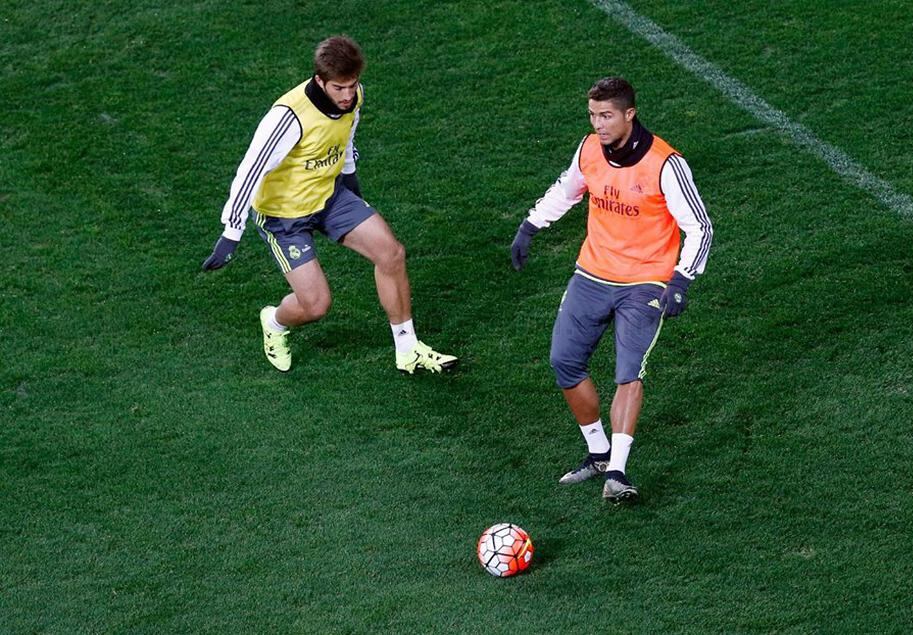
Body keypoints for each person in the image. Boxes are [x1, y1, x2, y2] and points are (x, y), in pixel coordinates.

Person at [509, 77, 713, 503]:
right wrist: (530, 225)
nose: (597, 124)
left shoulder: (664, 164)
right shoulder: (588, 150)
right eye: (592, 114)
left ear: (629, 114)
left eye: (606, 115)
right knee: (564, 361)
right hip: (593, 273)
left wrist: (682, 279)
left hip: (645, 282)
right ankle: (598, 452)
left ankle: (618, 471)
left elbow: (699, 227)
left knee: (628, 372)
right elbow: (567, 189)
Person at [202, 35, 456, 375]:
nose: (348, 95)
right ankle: (275, 322)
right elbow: (250, 170)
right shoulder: (288, 118)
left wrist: (351, 185)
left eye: (352, 85)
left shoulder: (353, 99)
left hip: (329, 195)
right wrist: (231, 232)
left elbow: (345, 139)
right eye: (339, 88)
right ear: (320, 81)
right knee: (316, 305)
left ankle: (407, 349)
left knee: (391, 253)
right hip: (284, 216)